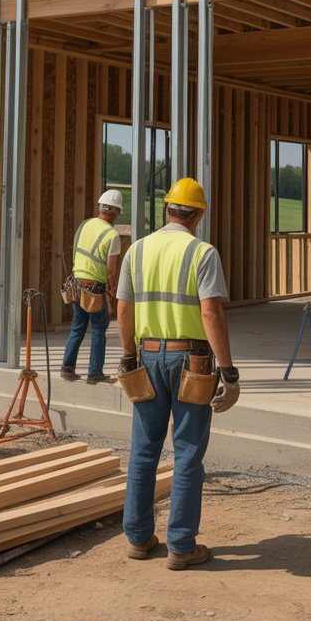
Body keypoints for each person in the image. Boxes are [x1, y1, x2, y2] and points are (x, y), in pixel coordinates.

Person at [116, 177, 240, 570]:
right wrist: (228, 372)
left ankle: (138, 539)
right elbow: (210, 312)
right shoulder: (202, 252)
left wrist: (127, 357)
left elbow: (123, 308)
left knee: (144, 450)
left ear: (167, 209)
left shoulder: (138, 250)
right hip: (193, 361)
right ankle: (181, 546)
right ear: (199, 214)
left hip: (147, 356)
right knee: (187, 453)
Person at [61, 189, 123, 384]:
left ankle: (67, 368)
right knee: (98, 329)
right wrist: (113, 291)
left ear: (100, 207)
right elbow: (111, 270)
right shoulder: (112, 235)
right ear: (117, 212)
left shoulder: (84, 225)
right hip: (95, 288)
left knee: (77, 327)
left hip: (76, 284)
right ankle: (95, 373)